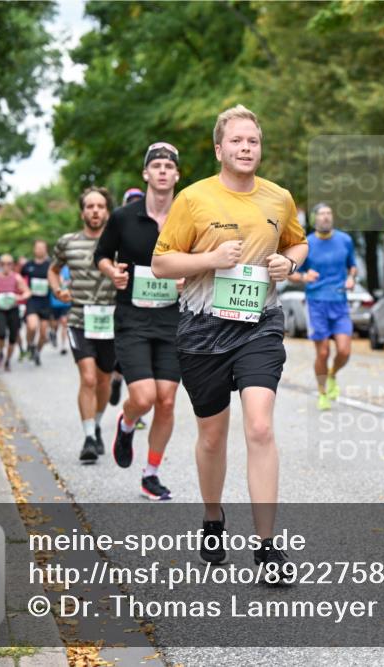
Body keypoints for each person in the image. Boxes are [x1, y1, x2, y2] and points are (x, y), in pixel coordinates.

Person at [152, 105, 307, 577]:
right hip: (202, 329)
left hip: (259, 324)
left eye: (253, 141)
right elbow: (161, 264)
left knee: (259, 427)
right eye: (237, 141)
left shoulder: (279, 199)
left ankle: (266, 547)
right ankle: (213, 517)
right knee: (212, 435)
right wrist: (210, 259)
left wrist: (290, 263)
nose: (246, 148)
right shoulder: (194, 200)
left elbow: (296, 243)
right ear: (220, 149)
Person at [95, 143, 185, 501]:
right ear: (146, 174)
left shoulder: (188, 217)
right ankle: (126, 422)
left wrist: (188, 278)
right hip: (132, 317)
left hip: (173, 319)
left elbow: (201, 261)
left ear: (177, 175)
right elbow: (102, 254)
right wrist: (111, 271)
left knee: (166, 400)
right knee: (144, 397)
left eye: (169, 166)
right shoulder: (123, 217)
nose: (163, 171)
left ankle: (151, 474)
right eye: (156, 166)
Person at [51, 187, 119, 463]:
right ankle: (89, 438)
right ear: (82, 212)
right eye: (90, 206)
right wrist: (57, 290)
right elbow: (53, 269)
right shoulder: (67, 242)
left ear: (107, 211)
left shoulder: (119, 242)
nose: (95, 211)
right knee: (88, 378)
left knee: (103, 380)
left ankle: (98, 423)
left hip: (111, 320)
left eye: (100, 206)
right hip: (79, 318)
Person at [288, 203, 357, 410]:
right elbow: (290, 272)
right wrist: (303, 276)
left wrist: (351, 278)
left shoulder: (345, 240)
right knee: (323, 352)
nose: (326, 218)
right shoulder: (306, 243)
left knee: (344, 351)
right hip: (316, 302)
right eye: (322, 214)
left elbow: (352, 266)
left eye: (329, 213)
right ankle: (322, 391)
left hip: (340, 302)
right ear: (315, 219)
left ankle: (332, 374)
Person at [108, 186, 146, 417]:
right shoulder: (118, 226)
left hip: (150, 304)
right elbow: (104, 259)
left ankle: (137, 411)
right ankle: (116, 378)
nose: (135, 205)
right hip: (122, 303)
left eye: (138, 201)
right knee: (126, 356)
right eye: (131, 201)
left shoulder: (156, 226)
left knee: (147, 365)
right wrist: (114, 272)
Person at [0, 254, 32, 371]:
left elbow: (27, 292)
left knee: (12, 337)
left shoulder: (17, 277)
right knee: (1, 333)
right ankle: (1, 351)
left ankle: (7, 360)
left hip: (13, 309)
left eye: (9, 264)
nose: (6, 266)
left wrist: (19, 297)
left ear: (13, 265)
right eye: (3, 264)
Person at [21, 240, 52, 366]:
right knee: (32, 326)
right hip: (32, 301)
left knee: (44, 334)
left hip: (45, 302)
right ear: (34, 249)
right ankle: (30, 344)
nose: (39, 250)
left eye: (42, 248)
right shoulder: (28, 265)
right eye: (37, 247)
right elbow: (19, 280)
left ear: (46, 250)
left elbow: (57, 278)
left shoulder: (50, 265)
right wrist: (24, 290)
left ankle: (37, 352)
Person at [49, 264, 71, 355]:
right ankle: (53, 332)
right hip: (55, 302)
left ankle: (63, 345)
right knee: (55, 323)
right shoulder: (53, 268)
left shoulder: (69, 269)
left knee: (64, 322)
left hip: (66, 301)